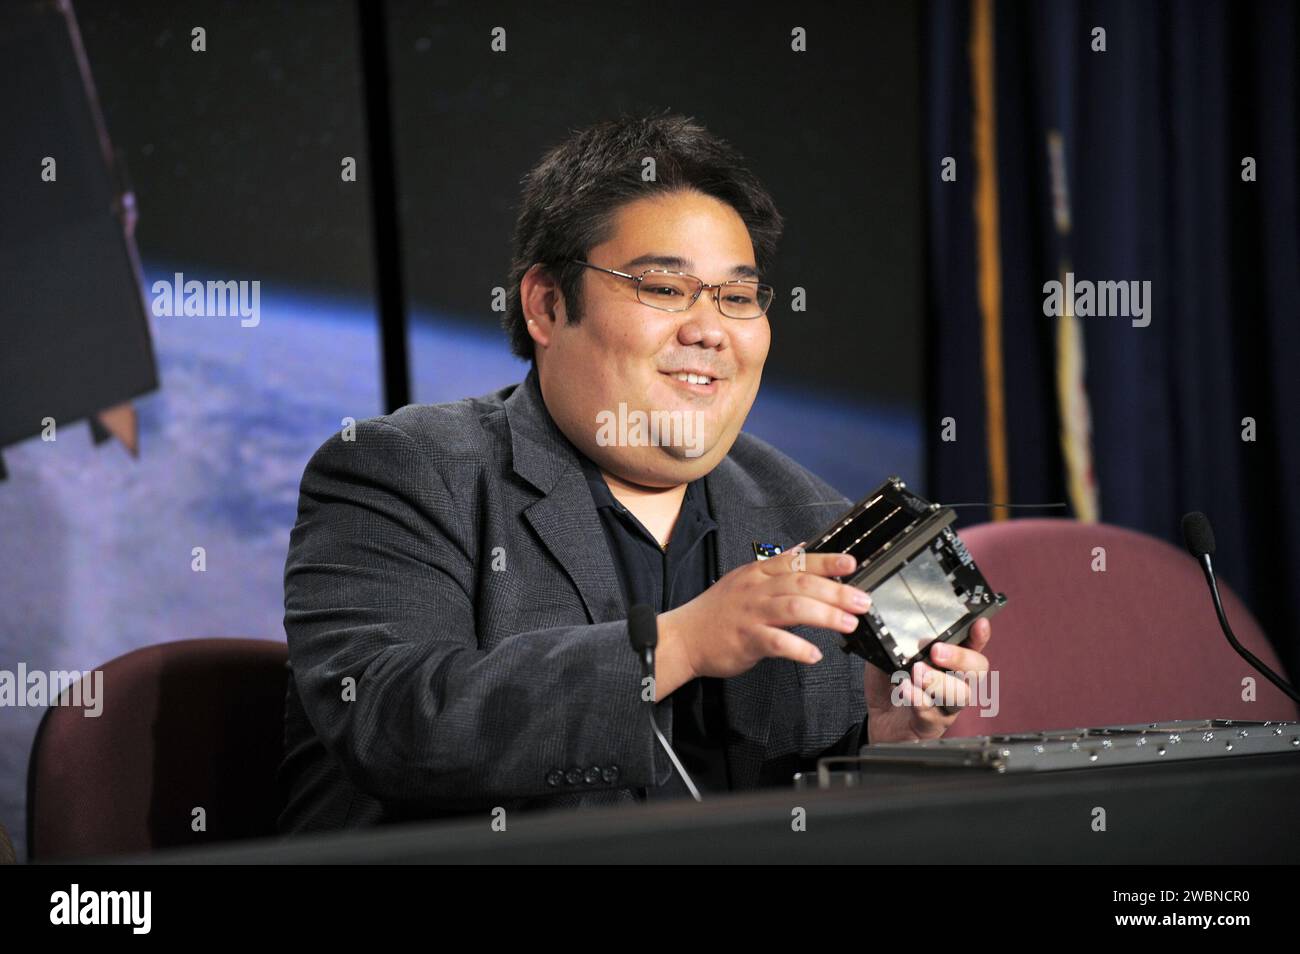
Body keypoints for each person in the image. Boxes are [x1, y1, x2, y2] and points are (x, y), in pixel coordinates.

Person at [277, 113, 991, 832]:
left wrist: (883, 746)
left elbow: (797, 818)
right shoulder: (402, 471)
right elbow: (390, 720)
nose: (710, 330)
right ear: (547, 305)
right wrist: (677, 646)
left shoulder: (810, 518)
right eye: (664, 288)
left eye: (738, 298)